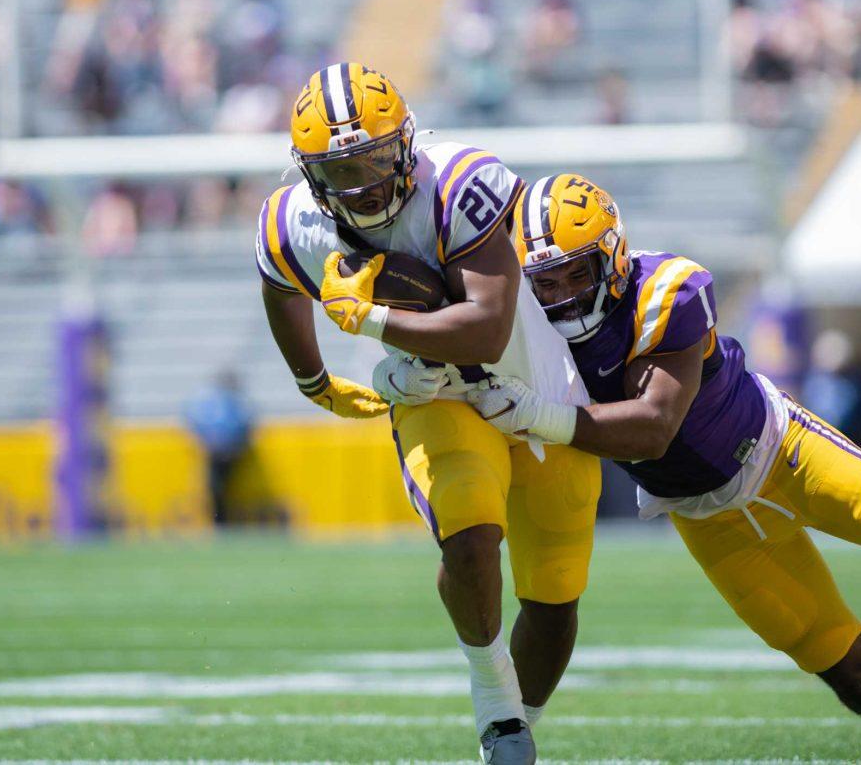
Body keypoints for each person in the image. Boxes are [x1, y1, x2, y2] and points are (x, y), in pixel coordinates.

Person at [463, 174, 861, 763]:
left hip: (783, 453)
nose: (561, 295)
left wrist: (537, 414)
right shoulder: (530, 326)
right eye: (545, 282)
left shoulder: (668, 291)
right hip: (705, 514)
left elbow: (655, 427)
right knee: (851, 675)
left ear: (616, 255)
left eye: (576, 274)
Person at [254, 64, 600, 763]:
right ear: (307, 172)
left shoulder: (458, 186)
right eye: (341, 170)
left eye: (376, 159)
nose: (364, 185)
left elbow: (486, 330)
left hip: (537, 387)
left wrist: (372, 318)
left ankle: (516, 719)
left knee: (555, 598)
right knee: (469, 540)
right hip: (435, 394)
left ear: (406, 142)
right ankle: (495, 709)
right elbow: (278, 284)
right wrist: (312, 380)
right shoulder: (291, 221)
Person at [183, 369, 253, 525]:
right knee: (217, 488)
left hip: (227, 452)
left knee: (220, 488)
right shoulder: (225, 401)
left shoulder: (230, 401)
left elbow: (245, 425)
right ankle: (221, 521)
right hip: (219, 452)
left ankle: (223, 521)